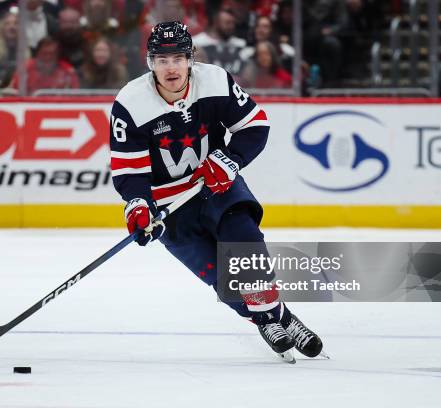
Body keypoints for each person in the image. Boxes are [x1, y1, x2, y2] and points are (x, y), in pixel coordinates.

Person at [109, 21, 323, 360]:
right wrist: (138, 204)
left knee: (246, 243)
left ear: (191, 58)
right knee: (226, 283)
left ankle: (271, 316)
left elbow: (255, 126)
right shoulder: (130, 103)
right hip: (170, 207)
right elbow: (129, 169)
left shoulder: (215, 81)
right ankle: (277, 317)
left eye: (178, 58)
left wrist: (230, 160)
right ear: (150, 62)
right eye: (162, 60)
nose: (171, 68)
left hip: (216, 185)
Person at [11, 36, 79, 94]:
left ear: (58, 55)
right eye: (45, 53)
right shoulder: (25, 70)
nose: (48, 57)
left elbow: (75, 94)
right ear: (37, 54)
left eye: (52, 54)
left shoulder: (67, 71)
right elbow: (15, 93)